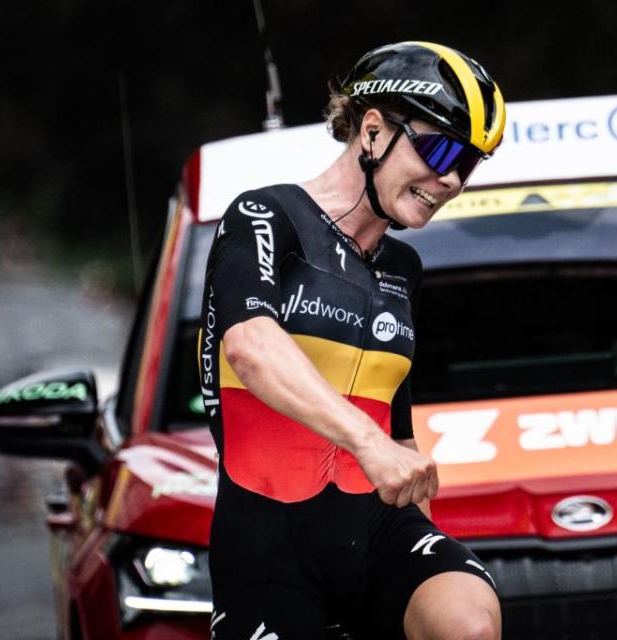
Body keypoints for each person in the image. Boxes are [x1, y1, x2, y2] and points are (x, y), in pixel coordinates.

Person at [198, 41, 505, 640]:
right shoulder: (265, 216)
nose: (449, 180)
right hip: (269, 542)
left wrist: (420, 511)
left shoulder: (403, 268)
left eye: (467, 164)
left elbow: (399, 434)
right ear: (371, 132)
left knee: (467, 620)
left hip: (376, 530)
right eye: (440, 147)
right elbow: (250, 345)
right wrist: (367, 443)